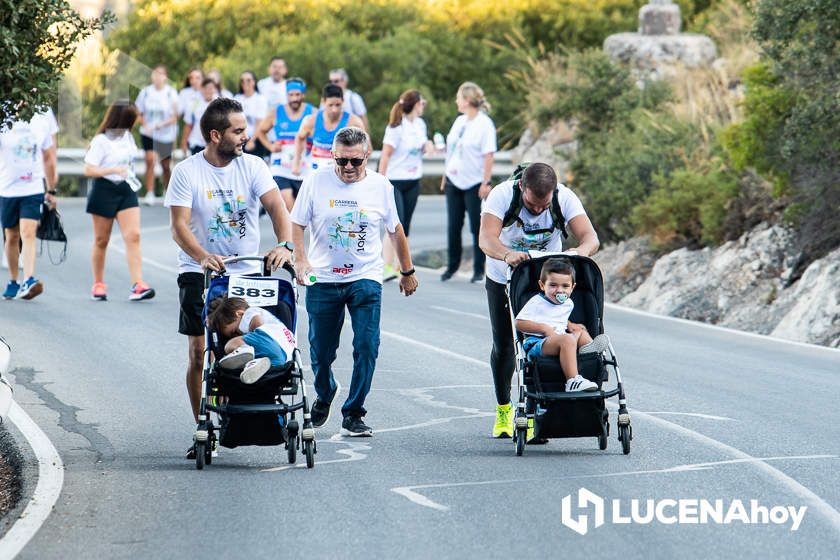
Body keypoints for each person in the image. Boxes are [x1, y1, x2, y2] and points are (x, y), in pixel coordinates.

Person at [165, 97, 294, 458]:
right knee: (198, 351)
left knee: (243, 342)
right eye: (238, 131)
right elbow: (178, 226)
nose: (245, 137)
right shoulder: (187, 172)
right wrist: (202, 256)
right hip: (199, 270)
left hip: (246, 272)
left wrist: (284, 244)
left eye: (245, 130)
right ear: (215, 134)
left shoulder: (253, 166)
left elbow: (276, 209)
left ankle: (245, 410)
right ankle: (203, 428)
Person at [291, 126, 418, 436]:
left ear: (366, 157)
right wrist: (301, 259)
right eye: (341, 161)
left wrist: (407, 271)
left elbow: (395, 229)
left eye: (355, 162)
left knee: (367, 346)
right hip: (323, 277)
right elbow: (296, 223)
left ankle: (354, 411)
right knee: (321, 352)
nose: (347, 168)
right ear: (334, 156)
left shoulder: (380, 186)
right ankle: (325, 391)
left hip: (365, 277)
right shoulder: (316, 180)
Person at [478, 162, 599, 438]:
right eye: (532, 205)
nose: (537, 211)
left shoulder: (563, 198)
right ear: (522, 187)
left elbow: (591, 237)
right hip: (505, 276)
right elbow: (486, 239)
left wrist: (580, 251)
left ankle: (536, 413)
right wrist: (507, 254)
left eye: (543, 207)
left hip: (548, 280)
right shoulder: (501, 195)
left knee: (552, 342)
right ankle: (504, 409)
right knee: (507, 346)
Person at [83, 100, 155, 302]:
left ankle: (138, 284)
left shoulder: (128, 137)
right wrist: (112, 170)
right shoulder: (101, 141)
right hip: (104, 189)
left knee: (133, 236)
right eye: (132, 119)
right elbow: (88, 169)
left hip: (126, 189)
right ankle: (98, 283)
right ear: (122, 119)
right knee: (101, 240)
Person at [515, 257, 610, 393]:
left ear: (573, 287)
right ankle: (572, 381)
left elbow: (558, 318)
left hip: (560, 340)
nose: (559, 291)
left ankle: (590, 354)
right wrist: (544, 329)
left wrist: (570, 324)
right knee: (567, 339)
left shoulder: (568, 303)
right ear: (542, 285)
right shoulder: (537, 302)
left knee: (580, 331)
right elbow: (519, 323)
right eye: (553, 285)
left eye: (565, 286)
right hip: (538, 344)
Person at [440, 82, 496, 284]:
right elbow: (451, 150)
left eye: (458, 98)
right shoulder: (459, 122)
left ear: (467, 100)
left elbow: (489, 154)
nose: (456, 101)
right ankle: (452, 266)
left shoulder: (484, 124)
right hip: (453, 180)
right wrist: (445, 175)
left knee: (476, 226)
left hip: (474, 182)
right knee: (453, 226)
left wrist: (486, 181)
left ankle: (478, 269)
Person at [0, 109, 58, 300]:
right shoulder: (4, 109)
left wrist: (51, 189)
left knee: (28, 231)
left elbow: (49, 156)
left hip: (32, 187)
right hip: (7, 188)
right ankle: (14, 280)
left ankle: (29, 279)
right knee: (12, 235)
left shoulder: (42, 114)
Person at [378, 89, 432, 281]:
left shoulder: (420, 124)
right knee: (394, 223)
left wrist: (429, 146)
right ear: (415, 104)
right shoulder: (396, 127)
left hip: (413, 180)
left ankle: (401, 266)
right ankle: (386, 266)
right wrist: (380, 181)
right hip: (395, 181)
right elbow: (385, 155)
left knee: (405, 225)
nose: (423, 106)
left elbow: (423, 145)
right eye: (422, 103)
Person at [207, 296, 296, 384]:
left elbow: (257, 322)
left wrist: (249, 336)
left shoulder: (249, 312)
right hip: (283, 358)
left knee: (230, 345)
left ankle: (244, 349)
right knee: (262, 363)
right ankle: (254, 365)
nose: (237, 335)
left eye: (234, 331)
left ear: (239, 314)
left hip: (269, 341)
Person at [256, 77, 314, 210]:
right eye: (291, 95)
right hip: (281, 167)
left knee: (306, 209)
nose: (294, 98)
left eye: (297, 95)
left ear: (303, 95)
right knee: (287, 203)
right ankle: (293, 230)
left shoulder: (312, 112)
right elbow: (261, 131)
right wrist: (270, 146)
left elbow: (320, 135)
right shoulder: (276, 112)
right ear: (286, 95)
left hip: (304, 167)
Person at [292, 83, 364, 177]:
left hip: (341, 171)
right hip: (316, 170)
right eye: (330, 105)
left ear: (343, 101)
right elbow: (300, 138)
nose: (334, 109)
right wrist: (297, 162)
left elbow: (366, 147)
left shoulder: (354, 122)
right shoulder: (311, 121)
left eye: (338, 105)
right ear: (323, 101)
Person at [136, 64, 179, 206]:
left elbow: (175, 116)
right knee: (150, 160)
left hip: (165, 134)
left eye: (161, 74)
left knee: (165, 165)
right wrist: (145, 125)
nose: (158, 77)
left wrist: (162, 125)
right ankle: (150, 193)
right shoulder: (146, 93)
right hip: (149, 133)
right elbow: (138, 112)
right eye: (155, 73)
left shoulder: (171, 93)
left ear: (165, 77)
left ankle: (168, 192)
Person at [233, 71, 269, 158]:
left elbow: (260, 123)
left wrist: (252, 141)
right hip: (238, 139)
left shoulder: (260, 99)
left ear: (254, 82)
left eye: (248, 80)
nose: (245, 83)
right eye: (242, 81)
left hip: (255, 140)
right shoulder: (237, 98)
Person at [181, 78, 219, 155]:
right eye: (206, 88)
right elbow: (189, 124)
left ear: (214, 89)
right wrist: (184, 142)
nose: (208, 90)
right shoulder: (194, 104)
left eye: (211, 88)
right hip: (196, 143)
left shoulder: (219, 104)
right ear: (202, 89)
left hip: (213, 144)